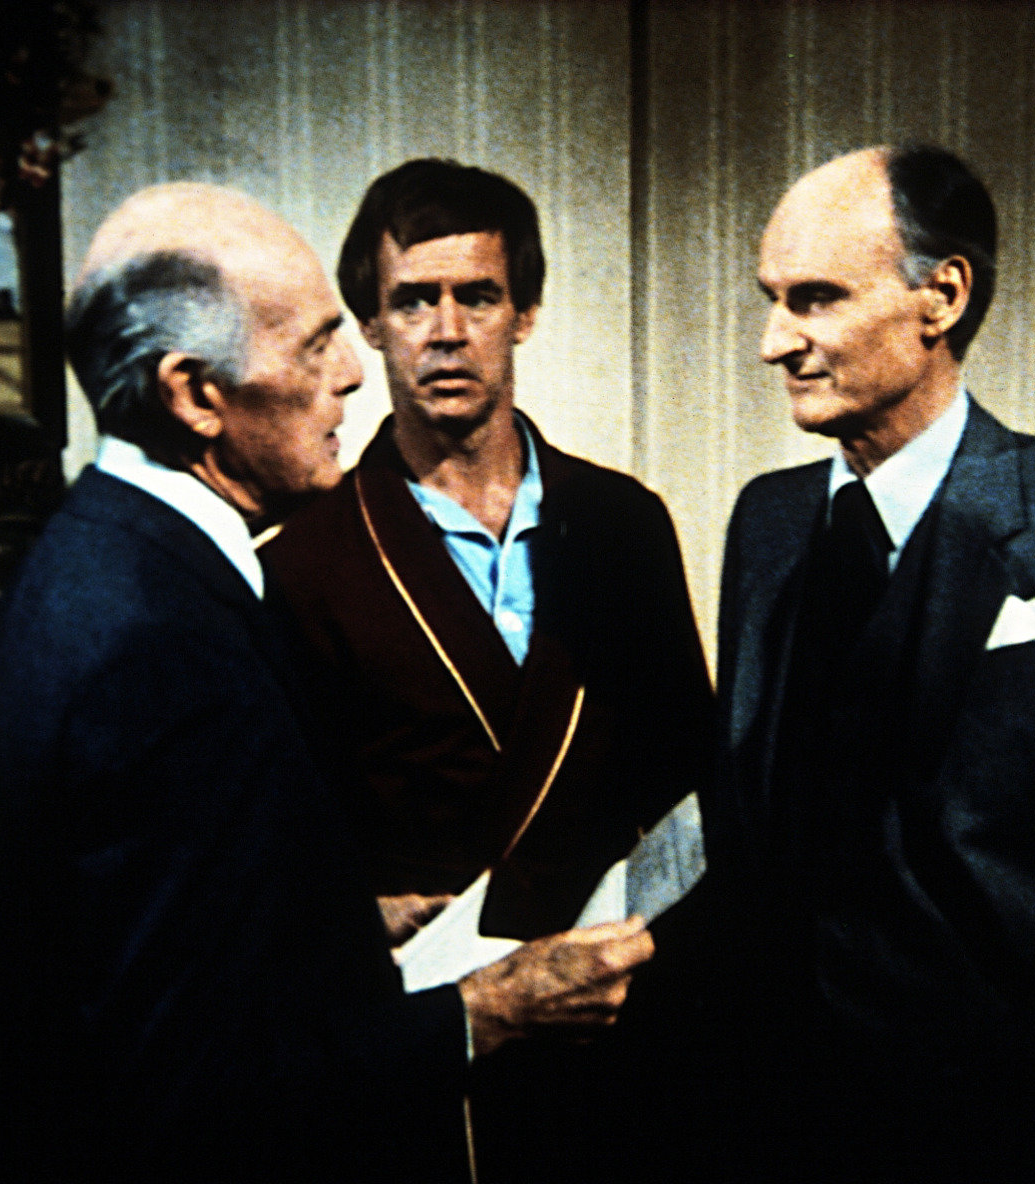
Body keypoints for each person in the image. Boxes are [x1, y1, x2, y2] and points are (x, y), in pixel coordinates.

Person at [0, 181, 654, 1183]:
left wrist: (337, 916)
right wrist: (481, 1011)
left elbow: (167, 931)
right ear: (194, 395)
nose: (354, 374)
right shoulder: (150, 643)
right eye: (317, 344)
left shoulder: (104, 568)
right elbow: (192, 1087)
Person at [706, 144, 1035, 1182]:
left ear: (942, 296)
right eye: (772, 300)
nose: (774, 342)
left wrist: (1034, 1098)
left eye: (815, 299)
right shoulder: (767, 524)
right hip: (822, 1115)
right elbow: (750, 826)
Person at [262, 158, 715, 1181]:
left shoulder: (622, 525)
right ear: (370, 325)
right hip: (433, 1038)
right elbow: (285, 851)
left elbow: (687, 784)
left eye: (478, 295)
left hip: (620, 1022)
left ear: (526, 313)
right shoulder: (306, 564)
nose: (446, 330)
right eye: (412, 300)